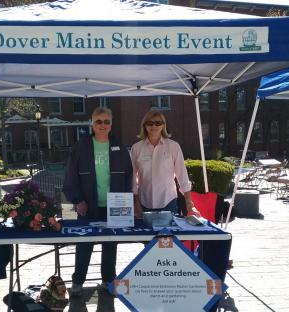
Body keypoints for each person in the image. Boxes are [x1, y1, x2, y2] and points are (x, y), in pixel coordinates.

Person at [63, 107, 133, 297]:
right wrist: (77, 200)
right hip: (88, 204)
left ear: (111, 124)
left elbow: (128, 176)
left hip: (114, 205)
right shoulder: (81, 146)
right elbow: (71, 176)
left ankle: (108, 280)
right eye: (99, 121)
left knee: (110, 244)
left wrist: (127, 200)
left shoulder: (119, 147)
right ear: (92, 123)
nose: (103, 125)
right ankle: (78, 281)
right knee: (85, 243)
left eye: (106, 121)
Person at [131, 109, 200, 217]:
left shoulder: (173, 146)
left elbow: (182, 175)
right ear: (144, 125)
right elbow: (132, 178)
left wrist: (189, 203)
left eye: (158, 123)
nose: (154, 126)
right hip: (143, 203)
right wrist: (135, 202)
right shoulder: (136, 148)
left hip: (168, 202)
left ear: (163, 125)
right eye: (150, 123)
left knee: (169, 234)